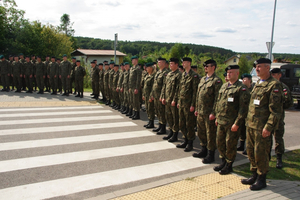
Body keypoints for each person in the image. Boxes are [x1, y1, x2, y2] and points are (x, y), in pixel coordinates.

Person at [241, 58, 283, 191]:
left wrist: (268, 127)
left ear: (267, 67)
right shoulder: (259, 82)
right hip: (251, 125)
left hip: (262, 127)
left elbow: (276, 111)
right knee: (251, 152)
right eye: (256, 67)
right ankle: (254, 174)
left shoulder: (274, 85)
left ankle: (262, 178)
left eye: (259, 67)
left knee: (261, 153)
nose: (257, 69)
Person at [214, 65, 250, 174]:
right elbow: (219, 103)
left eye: (231, 72)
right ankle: (223, 161)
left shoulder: (241, 88)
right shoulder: (224, 86)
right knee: (220, 143)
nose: (229, 74)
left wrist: (237, 123)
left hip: (232, 123)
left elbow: (243, 109)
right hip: (221, 121)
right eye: (228, 72)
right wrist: (217, 116)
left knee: (230, 144)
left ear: (237, 74)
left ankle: (229, 165)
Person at [194, 59, 223, 163]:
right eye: (204, 66)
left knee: (210, 134)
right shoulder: (203, 79)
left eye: (207, 66)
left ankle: (211, 154)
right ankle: (203, 150)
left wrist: (214, 113)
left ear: (213, 67)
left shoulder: (217, 81)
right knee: (201, 132)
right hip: (201, 112)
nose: (205, 67)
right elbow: (198, 95)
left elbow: (217, 99)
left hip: (209, 112)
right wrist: (197, 108)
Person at [270, 68, 294, 169]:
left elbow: (289, 102)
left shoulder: (283, 87)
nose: (273, 76)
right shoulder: (269, 86)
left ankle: (279, 158)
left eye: (275, 74)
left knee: (278, 137)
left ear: (279, 75)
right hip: (267, 117)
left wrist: (280, 108)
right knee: (266, 138)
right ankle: (267, 156)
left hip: (278, 118)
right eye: (272, 74)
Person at [176, 57, 200, 152]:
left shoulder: (194, 76)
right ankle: (185, 140)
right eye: (182, 62)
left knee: (189, 124)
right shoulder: (183, 75)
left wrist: (193, 105)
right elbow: (180, 89)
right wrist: (178, 101)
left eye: (185, 62)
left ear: (189, 63)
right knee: (182, 123)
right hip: (182, 103)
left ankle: (190, 143)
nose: (183, 64)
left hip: (189, 104)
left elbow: (195, 92)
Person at [161, 58, 182, 142]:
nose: (170, 65)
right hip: (167, 99)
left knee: (174, 117)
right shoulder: (169, 74)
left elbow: (178, 89)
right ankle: (170, 132)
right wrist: (163, 96)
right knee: (169, 116)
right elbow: (164, 86)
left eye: (172, 64)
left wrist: (175, 99)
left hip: (173, 100)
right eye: (170, 63)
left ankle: (175, 134)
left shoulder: (179, 75)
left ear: (176, 65)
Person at [151, 57, 170, 134]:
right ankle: (160, 126)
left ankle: (163, 128)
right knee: (158, 112)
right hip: (155, 95)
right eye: (158, 62)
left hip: (161, 96)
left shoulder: (166, 73)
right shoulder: (158, 72)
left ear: (164, 63)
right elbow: (154, 84)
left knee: (162, 112)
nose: (158, 64)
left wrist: (162, 96)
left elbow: (165, 86)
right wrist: (152, 94)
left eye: (160, 62)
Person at [237, 73, 254, 154]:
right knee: (242, 130)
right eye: (242, 79)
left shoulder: (253, 89)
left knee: (249, 132)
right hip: (242, 113)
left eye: (245, 79)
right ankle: (241, 145)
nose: (243, 81)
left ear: (249, 80)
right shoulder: (241, 89)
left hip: (250, 114)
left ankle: (248, 148)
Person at [142, 62, 156, 128]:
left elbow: (153, 87)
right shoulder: (147, 75)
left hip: (150, 95)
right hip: (146, 94)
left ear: (151, 68)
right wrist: (143, 95)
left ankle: (152, 122)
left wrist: (151, 96)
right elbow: (144, 86)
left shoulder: (153, 76)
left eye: (147, 67)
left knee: (151, 109)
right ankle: (149, 121)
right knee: (147, 108)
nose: (146, 68)